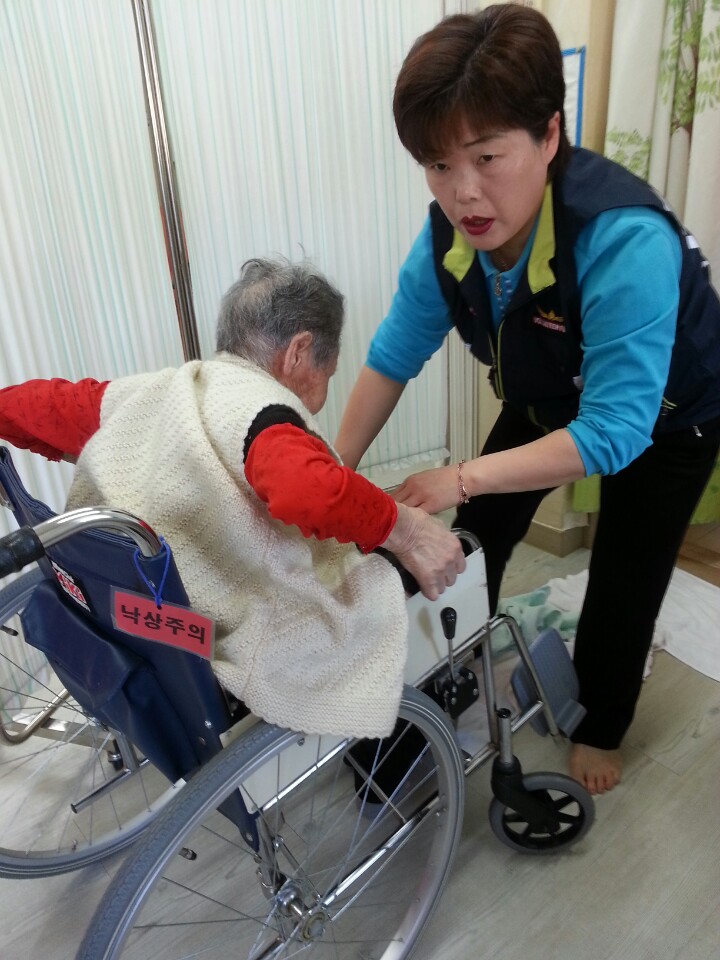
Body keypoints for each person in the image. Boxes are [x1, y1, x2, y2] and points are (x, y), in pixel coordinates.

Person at [335, 4, 720, 795]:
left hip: (669, 417)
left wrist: (460, 474)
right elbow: (392, 357)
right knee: (471, 540)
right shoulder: (449, 239)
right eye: (438, 164)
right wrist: (330, 475)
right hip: (551, 395)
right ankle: (443, 680)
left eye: (486, 157)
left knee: (625, 573)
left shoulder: (620, 237)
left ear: (548, 134)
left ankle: (602, 724)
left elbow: (614, 431)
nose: (463, 192)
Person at [0, 256, 465, 740]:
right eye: (328, 372)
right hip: (222, 627)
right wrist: (407, 530)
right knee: (388, 583)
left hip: (133, 615)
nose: (325, 391)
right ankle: (400, 750)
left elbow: (43, 406)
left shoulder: (157, 391)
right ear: (299, 351)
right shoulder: (261, 415)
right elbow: (309, 491)